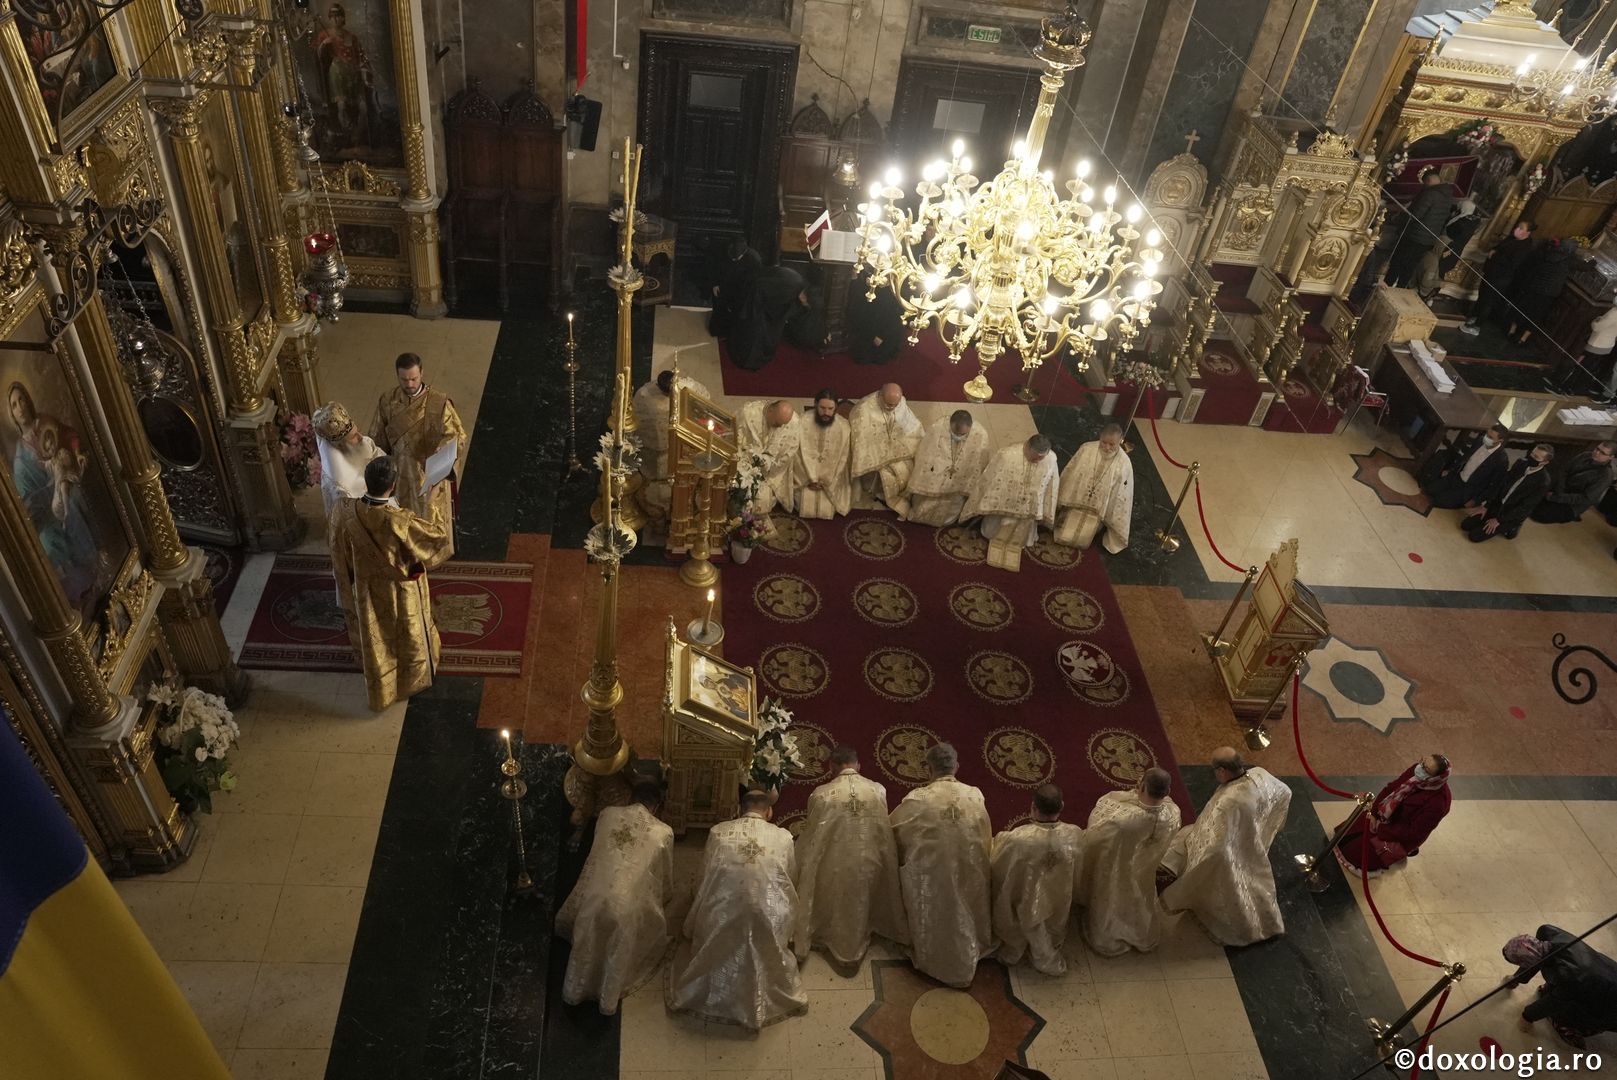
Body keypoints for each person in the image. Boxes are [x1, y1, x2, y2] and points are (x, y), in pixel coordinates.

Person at [667, 789, 807, 1029]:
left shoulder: (719, 832)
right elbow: (790, 879)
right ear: (769, 812)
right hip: (768, 915)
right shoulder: (783, 836)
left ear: (739, 810)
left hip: (721, 914)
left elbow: (704, 876)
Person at [328, 456, 450, 711]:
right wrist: (433, 501)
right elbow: (436, 539)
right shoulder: (398, 521)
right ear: (393, 486)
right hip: (398, 591)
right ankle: (409, 681)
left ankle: (382, 687)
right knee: (404, 633)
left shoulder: (343, 509)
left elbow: (336, 550)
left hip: (363, 590)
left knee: (377, 638)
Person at [555, 778, 674, 1014]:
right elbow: (664, 874)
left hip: (595, 894)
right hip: (625, 906)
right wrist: (666, 894)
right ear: (657, 807)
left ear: (630, 798)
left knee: (589, 938)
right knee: (618, 944)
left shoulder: (607, 814)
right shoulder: (664, 832)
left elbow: (598, 850)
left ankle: (575, 991)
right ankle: (605, 1000)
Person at [1159, 747, 1292, 946]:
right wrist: (1266, 825)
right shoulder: (1260, 774)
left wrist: (1199, 864)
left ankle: (1250, 928)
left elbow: (1216, 846)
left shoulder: (1228, 801)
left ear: (1222, 771)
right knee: (1255, 879)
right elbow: (1285, 792)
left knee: (1232, 888)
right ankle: (1269, 922)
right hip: (1251, 840)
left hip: (1230, 847)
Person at [793, 745, 908, 968]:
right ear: (858, 765)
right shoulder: (878, 790)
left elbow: (813, 838)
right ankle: (873, 923)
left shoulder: (821, 794)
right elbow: (884, 832)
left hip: (834, 868)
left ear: (831, 768)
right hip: (872, 863)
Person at [889, 743, 993, 987]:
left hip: (933, 874)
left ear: (928, 768)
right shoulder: (974, 794)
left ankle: (933, 955)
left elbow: (892, 831)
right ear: (956, 766)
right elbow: (985, 833)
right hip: (970, 868)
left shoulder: (917, 799)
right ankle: (971, 945)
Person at [7, 382, 99, 612]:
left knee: (75, 500)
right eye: (14, 404)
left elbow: (69, 435)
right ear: (12, 415)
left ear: (29, 400)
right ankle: (77, 593)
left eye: (22, 400)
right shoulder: (20, 458)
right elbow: (27, 498)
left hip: (66, 482)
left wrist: (76, 454)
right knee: (48, 539)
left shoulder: (46, 422)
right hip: (46, 509)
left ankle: (96, 564)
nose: (20, 407)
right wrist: (51, 489)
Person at [368, 352, 464, 570]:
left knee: (427, 514)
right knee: (400, 516)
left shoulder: (438, 403)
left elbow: (455, 436)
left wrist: (440, 459)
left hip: (426, 472)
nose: (410, 384)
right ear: (397, 376)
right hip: (398, 472)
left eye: (414, 378)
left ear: (422, 373)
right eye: (404, 379)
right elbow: (377, 436)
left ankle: (431, 553)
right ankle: (405, 551)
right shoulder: (387, 400)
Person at [1081, 768, 1181, 956]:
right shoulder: (1173, 813)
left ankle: (1108, 933)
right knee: (1138, 891)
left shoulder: (1124, 820)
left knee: (1112, 892)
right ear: (1167, 792)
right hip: (1145, 865)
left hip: (1118, 864)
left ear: (1142, 786)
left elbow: (1096, 834)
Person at [990, 784, 1086, 976]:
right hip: (1056, 900)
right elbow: (1080, 869)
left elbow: (996, 864)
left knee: (1017, 907)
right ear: (1062, 806)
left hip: (1024, 898)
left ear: (1033, 807)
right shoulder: (1074, 835)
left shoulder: (1017, 839)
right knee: (1050, 919)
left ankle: (1015, 946)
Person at [1335, 755, 1452, 877]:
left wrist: (1381, 829)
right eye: (1422, 761)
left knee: (1355, 853)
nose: (1420, 768)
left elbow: (1414, 832)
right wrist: (1374, 813)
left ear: (1435, 778)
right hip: (1386, 814)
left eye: (1426, 769)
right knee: (1346, 833)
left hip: (1398, 832)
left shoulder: (1438, 804)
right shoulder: (1416, 771)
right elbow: (1391, 788)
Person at [1503, 925, 1617, 1049]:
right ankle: (1557, 991)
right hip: (1606, 971)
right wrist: (1517, 978)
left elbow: (1552, 1004)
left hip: (1606, 1000)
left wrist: (1527, 1016)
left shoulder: (1569, 978)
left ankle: (1565, 1024)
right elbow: (1535, 957)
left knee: (1571, 1009)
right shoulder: (1548, 933)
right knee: (1564, 989)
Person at [962, 434, 1060, 572]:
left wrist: (1047, 510)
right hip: (1003, 505)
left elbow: (1052, 485)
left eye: (1041, 457)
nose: (1037, 460)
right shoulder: (1007, 454)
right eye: (1035, 456)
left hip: (1029, 508)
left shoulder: (1051, 459)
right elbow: (989, 478)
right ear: (1027, 447)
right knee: (994, 530)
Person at [896, 410, 991, 525]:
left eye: (963, 435)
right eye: (956, 433)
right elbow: (925, 455)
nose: (959, 436)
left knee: (954, 502)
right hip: (935, 474)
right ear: (950, 425)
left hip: (958, 485)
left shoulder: (980, 434)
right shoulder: (938, 428)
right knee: (925, 504)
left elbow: (979, 462)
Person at [1054, 423, 1134, 554]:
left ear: (1120, 441)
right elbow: (1072, 473)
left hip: (1097, 511)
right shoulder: (1087, 449)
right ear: (1100, 437)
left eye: (1112, 444)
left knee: (1082, 541)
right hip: (1076, 502)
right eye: (1104, 442)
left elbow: (1121, 495)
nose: (1107, 447)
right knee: (1062, 535)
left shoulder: (1124, 463)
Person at [847, 382, 923, 509]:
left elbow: (912, 426)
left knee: (908, 468)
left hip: (896, 450)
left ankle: (897, 497)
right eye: (888, 404)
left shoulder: (901, 403)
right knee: (888, 475)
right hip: (874, 454)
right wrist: (881, 454)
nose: (892, 407)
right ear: (881, 396)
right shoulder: (864, 408)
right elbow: (860, 438)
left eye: (895, 404)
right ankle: (881, 494)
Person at [1461, 443, 1553, 542]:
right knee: (1466, 525)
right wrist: (1486, 506)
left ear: (1545, 462)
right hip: (1498, 505)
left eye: (1536, 457)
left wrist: (1499, 520)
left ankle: (1511, 528)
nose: (1532, 457)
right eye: (1532, 453)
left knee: (1474, 536)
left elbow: (1524, 507)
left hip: (1511, 514)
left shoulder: (1543, 482)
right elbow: (1501, 484)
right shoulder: (1521, 463)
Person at [1460, 220, 1536, 336]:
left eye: (1521, 228)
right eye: (1518, 227)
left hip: (1501, 278)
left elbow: (1512, 263)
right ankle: (1474, 317)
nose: (1517, 230)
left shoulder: (1525, 247)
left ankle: (1477, 326)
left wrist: (1496, 256)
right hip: (1491, 273)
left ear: (1528, 232)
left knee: (1488, 301)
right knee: (1482, 297)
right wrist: (1494, 251)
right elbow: (1499, 247)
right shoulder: (1511, 239)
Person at [313, 401, 384, 520]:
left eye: (357, 431)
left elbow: (380, 457)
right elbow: (351, 518)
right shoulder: (338, 484)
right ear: (339, 445)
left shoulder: (362, 442)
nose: (361, 437)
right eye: (353, 437)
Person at [1385, 170, 1455, 288]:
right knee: (1409, 267)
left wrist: (1397, 218)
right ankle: (1400, 290)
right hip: (1428, 239)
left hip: (1414, 236)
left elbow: (1416, 215)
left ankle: (1385, 286)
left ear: (1428, 181)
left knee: (1397, 262)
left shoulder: (1430, 194)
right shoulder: (1448, 196)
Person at [736, 399, 803, 520]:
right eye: (777, 423)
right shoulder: (748, 413)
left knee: (763, 500)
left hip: (771, 470)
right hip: (746, 465)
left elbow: (790, 451)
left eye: (783, 424)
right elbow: (738, 440)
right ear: (770, 410)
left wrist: (768, 464)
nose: (780, 426)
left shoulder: (793, 422)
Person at [1418, 423, 1509, 510]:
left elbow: (1494, 485)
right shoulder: (1480, 441)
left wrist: (1475, 500)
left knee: (1437, 501)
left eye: (1490, 437)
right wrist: (1451, 470)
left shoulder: (1501, 460)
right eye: (1487, 434)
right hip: (1457, 477)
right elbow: (1466, 457)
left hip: (1469, 489)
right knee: (1428, 490)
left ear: (1500, 441)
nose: (1486, 438)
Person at [793, 390, 852, 520]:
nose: (826, 413)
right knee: (804, 507)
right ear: (815, 405)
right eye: (822, 408)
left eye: (830, 409)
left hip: (830, 481)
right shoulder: (801, 421)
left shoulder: (843, 427)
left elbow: (843, 458)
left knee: (827, 510)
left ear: (836, 407)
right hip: (805, 479)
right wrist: (809, 479)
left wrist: (826, 481)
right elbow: (796, 454)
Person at [1508, 237, 1576, 344]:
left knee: (1522, 308)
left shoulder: (1548, 251)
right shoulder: (1570, 260)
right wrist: (1593, 261)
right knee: (1536, 315)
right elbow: (1586, 266)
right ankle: (1523, 339)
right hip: (1548, 292)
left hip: (1534, 286)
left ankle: (1511, 331)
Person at [1530, 442, 1615, 524]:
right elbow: (1565, 470)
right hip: (1561, 489)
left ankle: (1570, 516)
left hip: (1572, 504)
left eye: (1602, 453)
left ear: (1611, 457)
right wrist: (1559, 490)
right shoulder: (1585, 455)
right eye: (1597, 449)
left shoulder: (1606, 475)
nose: (1596, 453)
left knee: (1538, 514)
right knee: (1530, 497)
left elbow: (1585, 499)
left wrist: (1557, 497)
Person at [708, 237, 763, 339]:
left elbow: (752, 282)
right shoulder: (722, 250)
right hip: (722, 285)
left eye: (736, 259)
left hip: (741, 289)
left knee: (736, 313)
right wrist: (714, 284)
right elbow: (714, 268)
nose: (733, 260)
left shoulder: (754, 259)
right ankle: (717, 331)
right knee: (719, 308)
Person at [848, 269, 905, 365]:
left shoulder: (890, 295)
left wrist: (880, 336)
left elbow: (893, 316)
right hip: (871, 323)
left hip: (883, 329)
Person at [1581, 306, 1617, 393]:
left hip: (1598, 344)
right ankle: (1586, 387)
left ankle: (1573, 388)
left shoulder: (1615, 312)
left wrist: (1596, 319)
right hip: (1608, 344)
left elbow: (1597, 327)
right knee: (1596, 367)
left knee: (1585, 367)